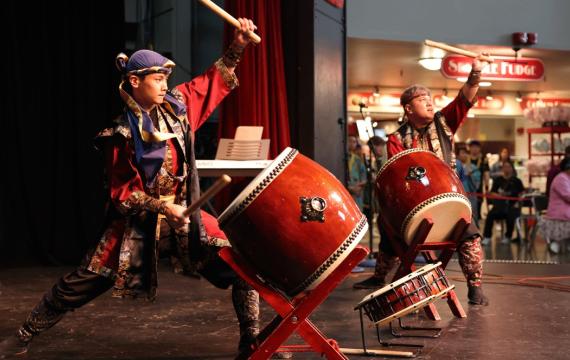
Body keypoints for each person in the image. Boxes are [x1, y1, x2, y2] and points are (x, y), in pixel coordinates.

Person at [0, 19, 267, 358]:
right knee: (85, 280)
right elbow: (122, 194)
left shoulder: (178, 109)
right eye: (157, 79)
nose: (164, 85)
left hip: (184, 220)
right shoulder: (120, 135)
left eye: (166, 79)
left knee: (240, 263)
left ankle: (253, 342)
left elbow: (209, 83)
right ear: (134, 81)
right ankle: (25, 334)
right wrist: (163, 207)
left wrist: (238, 45)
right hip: (135, 227)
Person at [353, 53, 491, 306]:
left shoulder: (444, 122)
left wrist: (475, 72)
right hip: (414, 206)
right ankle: (380, 276)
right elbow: (396, 176)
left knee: (469, 233)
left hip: (448, 199)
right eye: (422, 100)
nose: (429, 103)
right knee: (388, 226)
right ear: (408, 108)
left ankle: (475, 286)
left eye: (430, 99)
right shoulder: (395, 139)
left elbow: (466, 96)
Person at [482, 161, 525, 245]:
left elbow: (522, 193)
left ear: (512, 169)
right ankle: (487, 236)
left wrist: (518, 201)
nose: (507, 169)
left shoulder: (517, 181)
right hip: (499, 206)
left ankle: (508, 236)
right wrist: (500, 195)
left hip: (512, 206)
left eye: (509, 167)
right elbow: (492, 192)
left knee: (511, 215)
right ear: (502, 168)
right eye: (505, 167)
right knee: (490, 215)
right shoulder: (498, 180)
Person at [539, 158, 570, 254]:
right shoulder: (561, 178)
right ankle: (556, 245)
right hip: (560, 212)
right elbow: (567, 196)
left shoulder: (566, 178)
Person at [457, 147, 481, 223]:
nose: (464, 155)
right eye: (462, 153)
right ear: (457, 155)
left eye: (466, 153)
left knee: (472, 215)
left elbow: (477, 183)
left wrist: (471, 175)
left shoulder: (473, 167)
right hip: (459, 194)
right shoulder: (455, 165)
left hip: (471, 195)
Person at [467, 139, 490, 217]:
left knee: (479, 203)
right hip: (467, 186)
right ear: (469, 148)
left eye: (476, 147)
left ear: (479, 148)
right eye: (473, 147)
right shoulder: (466, 159)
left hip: (478, 186)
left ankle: (478, 220)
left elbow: (486, 173)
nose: (475, 149)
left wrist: (487, 185)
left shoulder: (483, 159)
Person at [347, 135, 368, 211]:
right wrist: (350, 188)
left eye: (354, 142)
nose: (352, 143)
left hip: (357, 192)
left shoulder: (358, 160)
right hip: (346, 191)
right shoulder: (342, 158)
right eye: (350, 141)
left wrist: (359, 186)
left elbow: (364, 177)